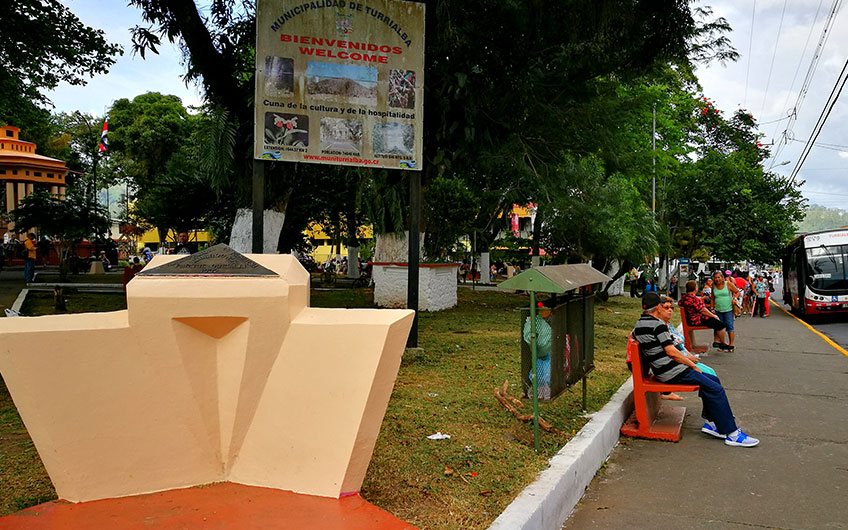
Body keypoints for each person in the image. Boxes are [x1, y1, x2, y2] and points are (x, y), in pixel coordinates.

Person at [633, 292, 759, 447]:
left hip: (664, 370)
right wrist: (692, 365)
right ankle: (732, 433)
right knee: (716, 388)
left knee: (712, 380)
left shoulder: (639, 325)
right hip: (671, 372)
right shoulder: (657, 325)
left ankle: (712, 422)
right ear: (658, 307)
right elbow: (671, 352)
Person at [679, 280, 731, 350]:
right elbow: (702, 310)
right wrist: (713, 315)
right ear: (695, 288)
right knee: (721, 325)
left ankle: (717, 342)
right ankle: (723, 343)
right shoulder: (694, 299)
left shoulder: (684, 297)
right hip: (697, 320)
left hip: (690, 319)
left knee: (716, 323)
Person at [710, 270, 741, 351]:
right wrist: (712, 308)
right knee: (719, 327)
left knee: (729, 326)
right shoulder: (713, 286)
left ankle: (731, 345)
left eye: (718, 277)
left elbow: (737, 292)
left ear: (722, 278)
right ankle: (721, 344)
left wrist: (734, 298)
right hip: (718, 310)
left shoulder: (728, 284)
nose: (717, 279)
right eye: (715, 278)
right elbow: (712, 298)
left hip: (728, 309)